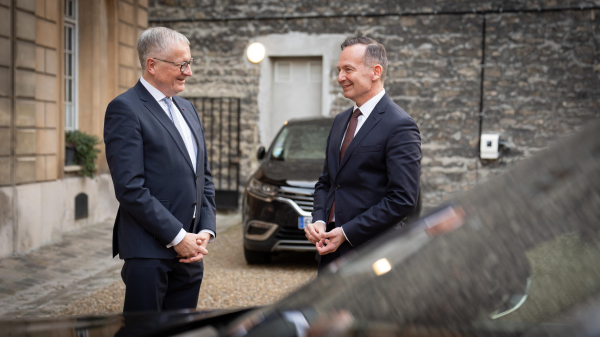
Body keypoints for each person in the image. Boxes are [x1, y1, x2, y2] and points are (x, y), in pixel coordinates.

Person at [104, 27, 216, 312]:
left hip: (191, 251)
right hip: (149, 252)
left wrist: (205, 229)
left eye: (189, 63)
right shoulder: (125, 109)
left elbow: (202, 176)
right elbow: (130, 188)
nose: (188, 72)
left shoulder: (187, 108)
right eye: (181, 64)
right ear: (152, 65)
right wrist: (177, 237)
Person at [305, 37, 421, 274]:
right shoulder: (340, 122)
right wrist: (318, 219)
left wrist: (347, 232)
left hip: (373, 255)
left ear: (375, 72)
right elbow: (327, 182)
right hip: (329, 252)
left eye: (348, 69)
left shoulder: (400, 125)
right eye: (339, 70)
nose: (340, 78)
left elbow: (402, 199)